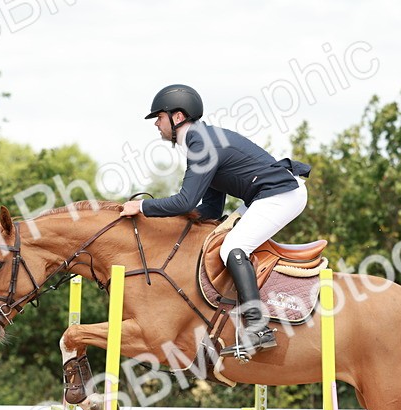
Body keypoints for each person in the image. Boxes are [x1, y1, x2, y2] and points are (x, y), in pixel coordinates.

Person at [119, 84, 310, 358]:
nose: (156, 124)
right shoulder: (200, 141)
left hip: (281, 194)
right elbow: (209, 207)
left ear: (177, 117)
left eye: (159, 117)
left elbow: (185, 202)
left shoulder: (201, 143)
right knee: (219, 238)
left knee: (233, 248)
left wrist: (142, 206)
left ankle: (258, 328)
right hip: (266, 195)